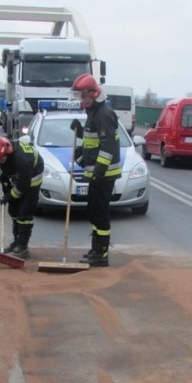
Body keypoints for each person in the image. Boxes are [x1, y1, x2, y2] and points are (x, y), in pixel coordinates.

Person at [70, 73, 121, 267]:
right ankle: (96, 249)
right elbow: (94, 140)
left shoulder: (104, 114)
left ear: (93, 93)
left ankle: (101, 253)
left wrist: (98, 173)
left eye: (83, 96)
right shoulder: (94, 112)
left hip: (104, 175)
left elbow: (107, 147)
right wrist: (80, 131)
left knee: (100, 213)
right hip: (96, 173)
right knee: (93, 212)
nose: (81, 100)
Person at [0, 134, 43, 259]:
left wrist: (8, 196)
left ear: (7, 152)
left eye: (1, 160)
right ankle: (16, 242)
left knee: (25, 213)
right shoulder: (2, 153)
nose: (0, 162)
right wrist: (6, 191)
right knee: (14, 211)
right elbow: (6, 173)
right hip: (18, 177)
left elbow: (23, 186)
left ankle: (22, 247)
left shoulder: (22, 160)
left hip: (31, 179)